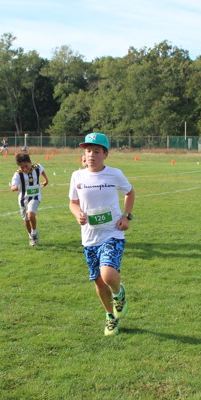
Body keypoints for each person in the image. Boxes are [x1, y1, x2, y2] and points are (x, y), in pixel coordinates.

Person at [69, 132, 134, 336]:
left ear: (105, 154)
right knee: (98, 281)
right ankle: (110, 316)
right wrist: (77, 214)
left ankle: (118, 294)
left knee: (108, 274)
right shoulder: (77, 176)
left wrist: (126, 217)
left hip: (113, 233)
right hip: (89, 237)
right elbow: (73, 202)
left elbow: (129, 193)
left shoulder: (114, 174)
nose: (91, 155)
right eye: (88, 151)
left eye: (96, 151)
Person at [10, 152, 49, 246]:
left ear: (30, 162)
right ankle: (31, 236)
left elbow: (42, 170)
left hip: (35, 196)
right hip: (23, 199)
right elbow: (12, 187)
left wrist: (46, 180)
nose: (25, 169)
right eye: (22, 167)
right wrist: (15, 188)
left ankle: (34, 232)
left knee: (31, 215)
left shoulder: (37, 167)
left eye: (26, 166)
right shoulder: (18, 174)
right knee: (26, 219)